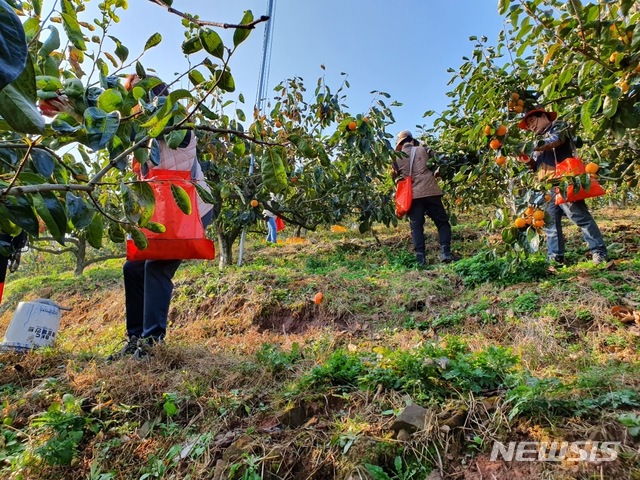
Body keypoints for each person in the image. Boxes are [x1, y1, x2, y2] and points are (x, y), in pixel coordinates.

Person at [108, 75, 214, 361]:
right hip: (161, 213)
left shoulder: (179, 123)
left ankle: (152, 343)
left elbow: (169, 124)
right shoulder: (141, 136)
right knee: (134, 268)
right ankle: (135, 339)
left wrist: (141, 103)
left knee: (156, 268)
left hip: (187, 211)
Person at [517, 106, 608, 265]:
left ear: (544, 116)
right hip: (546, 186)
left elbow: (555, 141)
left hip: (564, 181)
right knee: (550, 223)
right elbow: (535, 165)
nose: (531, 127)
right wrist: (526, 159)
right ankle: (556, 258)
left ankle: (598, 251)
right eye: (529, 126)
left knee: (580, 217)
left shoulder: (559, 126)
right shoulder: (536, 142)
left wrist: (531, 146)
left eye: (532, 121)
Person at [392, 130, 456, 265]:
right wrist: (436, 174)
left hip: (413, 196)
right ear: (412, 141)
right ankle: (446, 253)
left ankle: (420, 259)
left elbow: (395, 177)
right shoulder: (425, 150)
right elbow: (441, 163)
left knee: (416, 227)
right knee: (442, 223)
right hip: (431, 191)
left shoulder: (395, 157)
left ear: (400, 144)